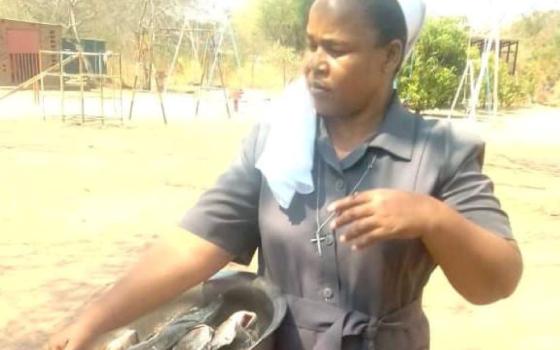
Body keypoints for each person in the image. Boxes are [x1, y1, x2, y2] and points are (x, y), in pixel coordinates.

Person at [49, 0, 523, 349]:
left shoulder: (440, 151)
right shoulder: (277, 146)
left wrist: (433, 218)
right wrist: (94, 318)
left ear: (390, 55)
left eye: (336, 49)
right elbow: (193, 244)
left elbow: (497, 281)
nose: (314, 64)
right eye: (311, 44)